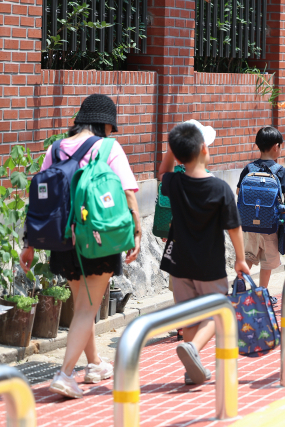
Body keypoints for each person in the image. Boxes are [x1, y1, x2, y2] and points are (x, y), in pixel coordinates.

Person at [19, 94, 142, 399]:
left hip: (62, 238)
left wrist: (29, 242)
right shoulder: (108, 147)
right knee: (88, 308)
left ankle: (96, 363)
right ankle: (64, 374)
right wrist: (137, 231)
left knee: (82, 305)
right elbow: (128, 194)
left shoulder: (57, 147)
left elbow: (40, 197)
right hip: (98, 238)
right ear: (106, 124)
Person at [159, 122, 250, 385]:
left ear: (178, 156)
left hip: (179, 263)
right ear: (204, 149)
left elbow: (162, 172)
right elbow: (234, 228)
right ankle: (193, 349)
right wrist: (241, 259)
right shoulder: (220, 189)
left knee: (189, 315)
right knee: (220, 309)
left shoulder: (174, 183)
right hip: (209, 264)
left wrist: (170, 152)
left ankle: (192, 369)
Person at [236, 127, 285, 304]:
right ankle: (263, 294)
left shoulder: (249, 168)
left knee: (249, 257)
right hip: (270, 226)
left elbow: (239, 192)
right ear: (277, 147)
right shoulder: (280, 170)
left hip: (249, 225)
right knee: (267, 263)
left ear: (257, 145)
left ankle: (239, 283)